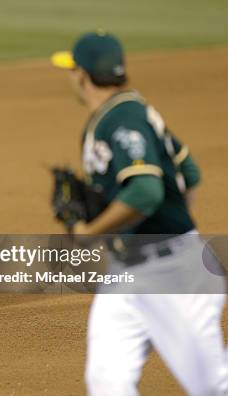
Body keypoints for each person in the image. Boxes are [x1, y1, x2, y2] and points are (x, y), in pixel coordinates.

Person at [51, 31, 228, 395]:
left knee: (212, 386)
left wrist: (91, 232)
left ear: (82, 74)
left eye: (72, 70)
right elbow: (189, 172)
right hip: (127, 275)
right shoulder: (134, 111)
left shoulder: (121, 118)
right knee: (107, 381)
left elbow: (146, 191)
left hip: (171, 276)